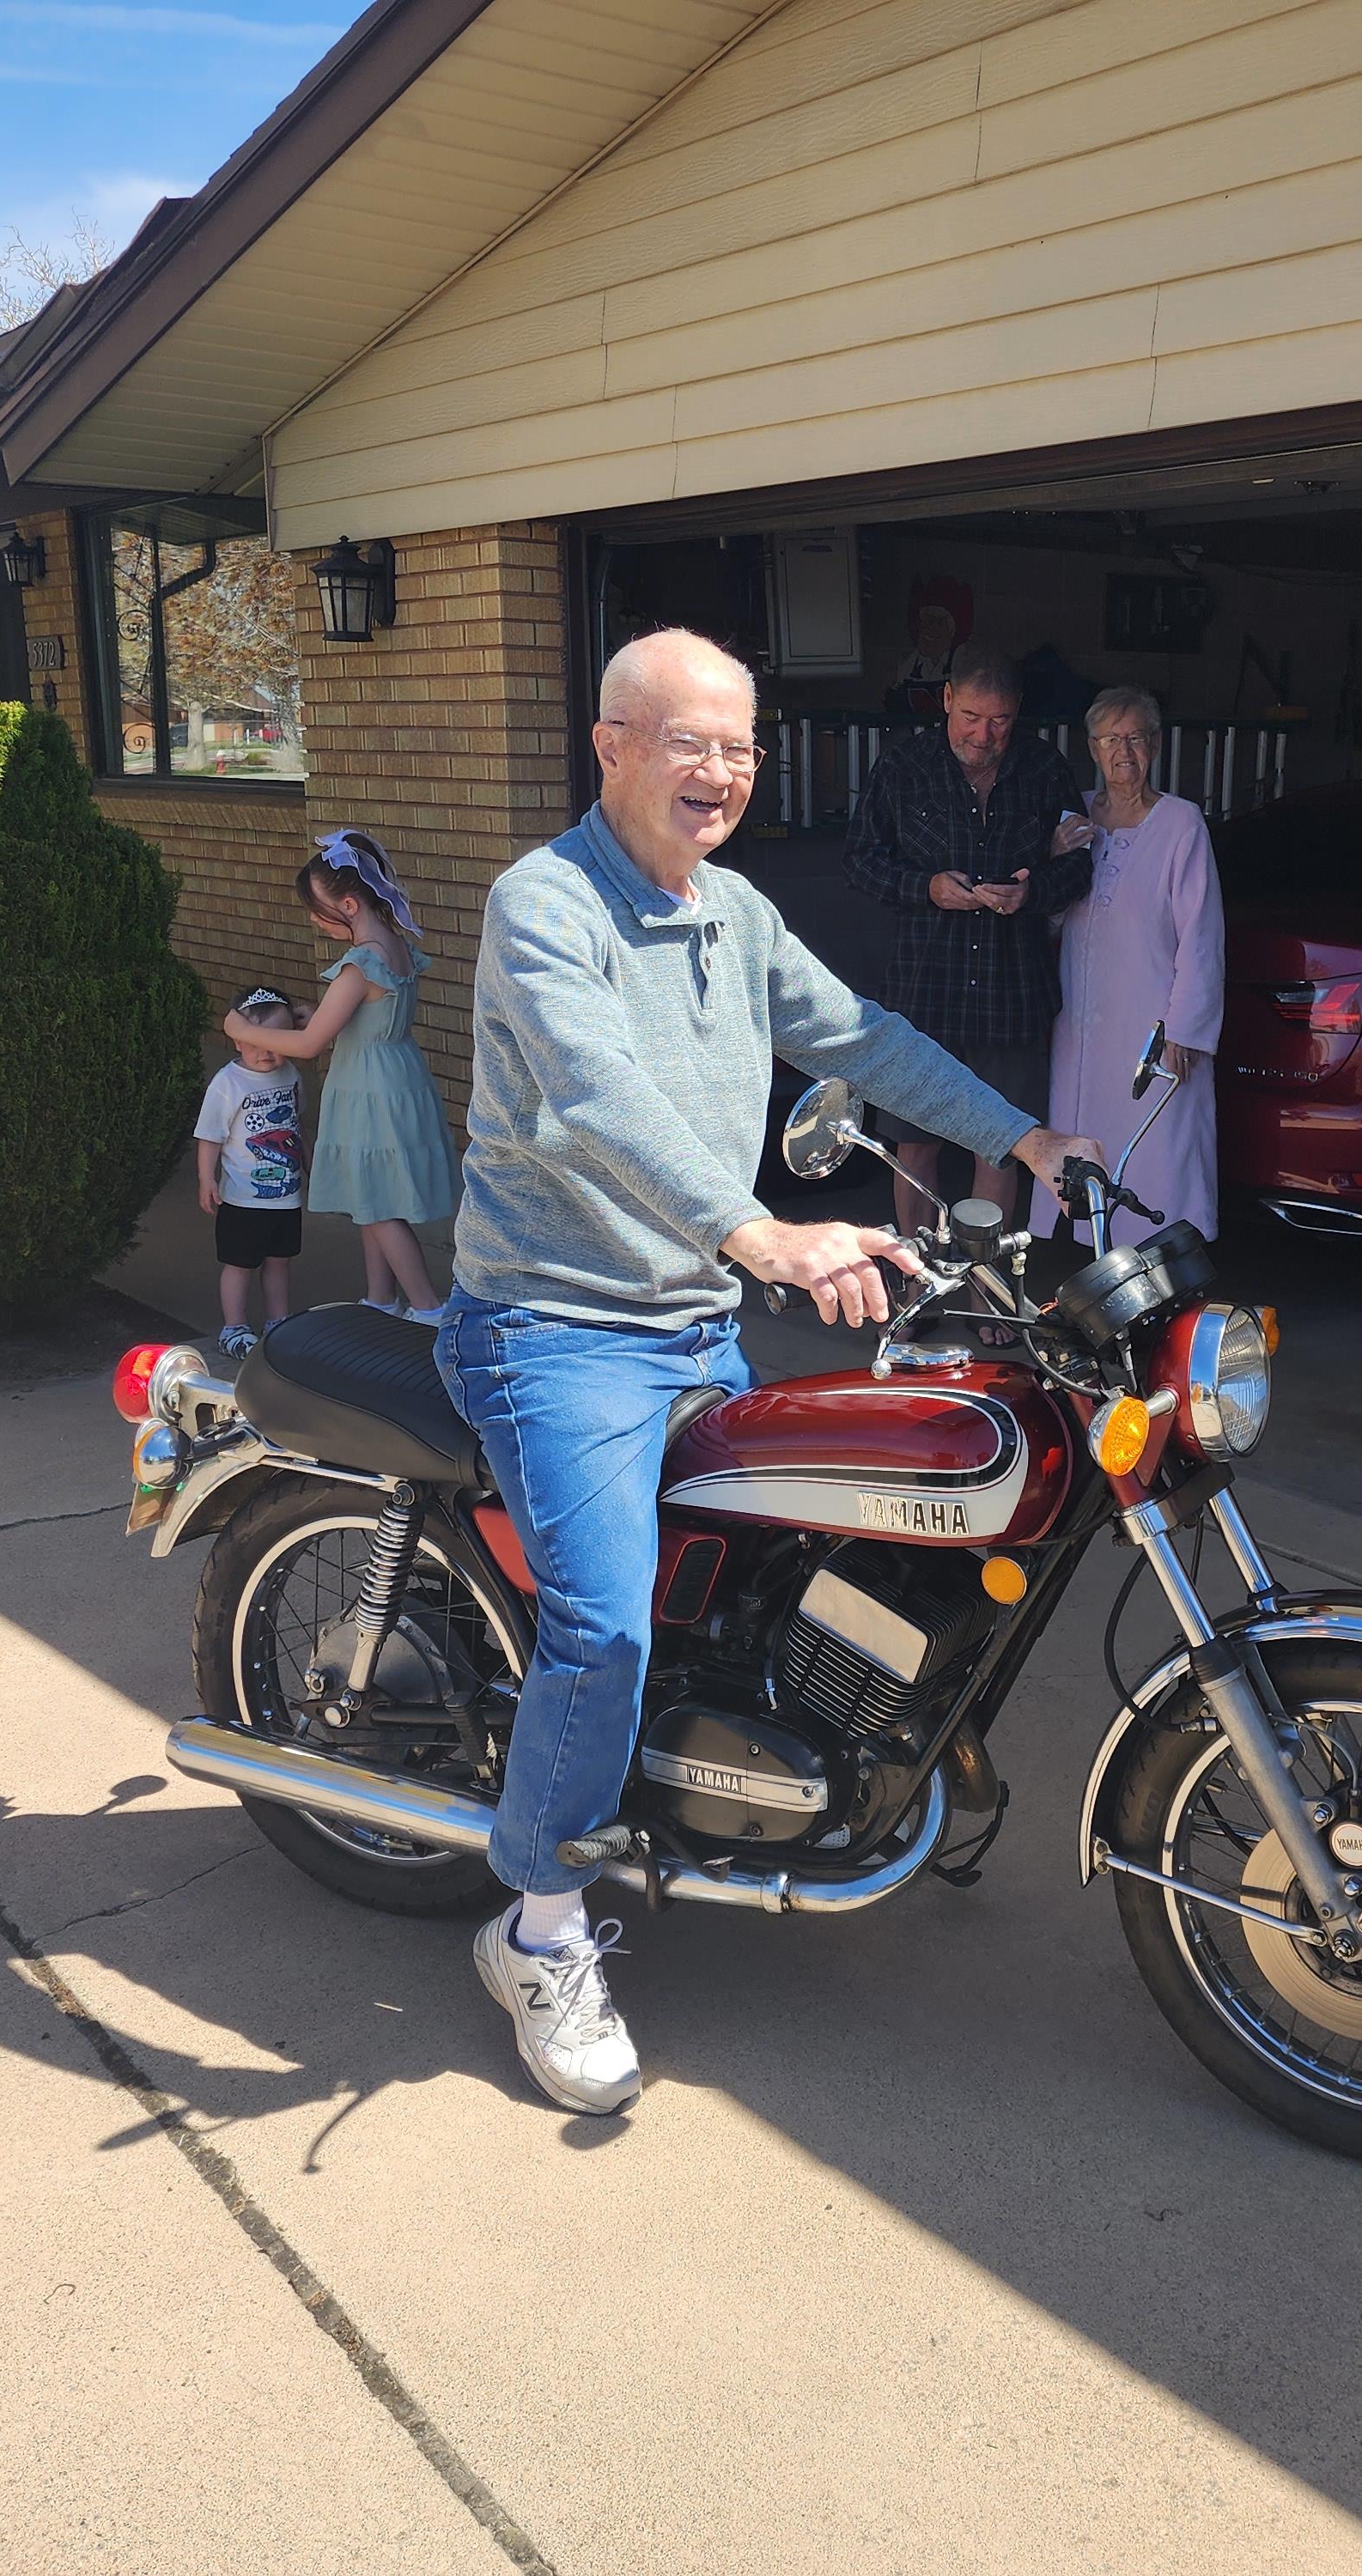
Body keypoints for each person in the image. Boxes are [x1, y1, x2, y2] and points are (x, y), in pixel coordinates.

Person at [438, 626, 1099, 2116]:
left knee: (787, 1562)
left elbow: (859, 1035)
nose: (721, 772)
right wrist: (761, 1233)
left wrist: (1025, 1135)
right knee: (605, 1624)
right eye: (690, 742)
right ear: (611, 747)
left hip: (689, 1315)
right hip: (556, 1323)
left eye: (740, 746)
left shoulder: (734, 913)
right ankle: (537, 1925)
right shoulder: (545, 905)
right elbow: (598, 1097)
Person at [844, 641, 1096, 1230]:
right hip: (926, 988)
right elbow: (859, 860)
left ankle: (987, 1294)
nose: (984, 735)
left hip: (1014, 989)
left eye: (1001, 721)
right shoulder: (903, 767)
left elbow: (1080, 865)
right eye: (972, 718)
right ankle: (919, 1284)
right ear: (948, 699)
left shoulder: (1043, 769)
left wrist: (1030, 894)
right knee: (916, 1141)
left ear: (1019, 712)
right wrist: (925, 887)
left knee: (1003, 1143)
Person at [224, 831, 457, 1323]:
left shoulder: (359, 965)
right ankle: (378, 1298)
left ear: (349, 904)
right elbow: (362, 1017)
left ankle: (428, 1307)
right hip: (395, 1074)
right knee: (370, 1195)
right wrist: (317, 1012)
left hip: (369, 1088)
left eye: (318, 909)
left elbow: (310, 1046)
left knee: (378, 1205)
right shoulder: (393, 946)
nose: (313, 919)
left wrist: (244, 1029)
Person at [1036, 684, 1223, 1241]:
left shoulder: (1182, 824)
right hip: (1083, 1019)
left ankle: (1166, 1243)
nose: (1125, 752)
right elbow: (1046, 916)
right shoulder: (1072, 821)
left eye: (1137, 738)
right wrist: (1054, 860)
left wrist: (1186, 1028)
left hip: (1154, 1023)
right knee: (1084, 1128)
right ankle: (1087, 1239)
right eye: (1111, 739)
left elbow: (1202, 935)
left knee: (1158, 1136)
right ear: (1091, 748)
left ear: (1157, 746)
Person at [193, 989, 307, 1364]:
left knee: (279, 1261)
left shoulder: (290, 1074)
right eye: (255, 1042)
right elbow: (210, 1135)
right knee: (240, 1263)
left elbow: (296, 1125)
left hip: (286, 1196)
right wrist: (206, 1179)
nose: (266, 1051)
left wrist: (310, 1166)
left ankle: (279, 1322)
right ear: (237, 1038)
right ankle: (234, 1327)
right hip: (243, 1198)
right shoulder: (228, 1083)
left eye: (275, 1041)